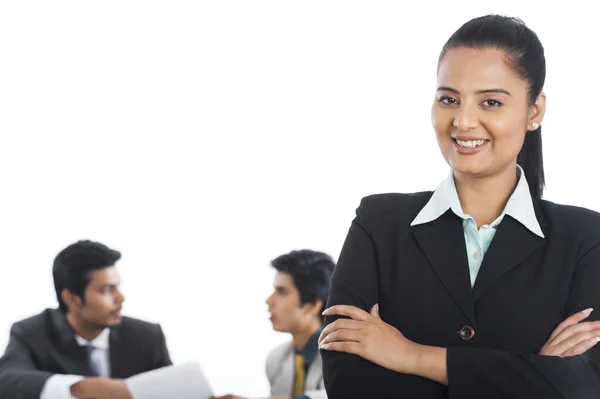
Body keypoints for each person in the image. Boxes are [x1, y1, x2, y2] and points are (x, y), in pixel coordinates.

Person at [318, 14, 600, 399]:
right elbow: (349, 384)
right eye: (449, 99)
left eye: (491, 102)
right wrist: (532, 374)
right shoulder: (378, 224)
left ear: (534, 112)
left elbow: (583, 386)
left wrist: (411, 356)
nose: (463, 121)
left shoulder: (585, 237)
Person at [0, 240, 172, 399]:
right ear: (71, 298)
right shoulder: (31, 333)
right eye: (106, 290)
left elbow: (173, 390)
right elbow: (6, 381)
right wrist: (83, 387)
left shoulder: (147, 336)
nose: (120, 298)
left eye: (117, 287)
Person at [214, 249, 335, 399]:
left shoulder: (342, 358)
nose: (269, 301)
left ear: (312, 305)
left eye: (282, 292)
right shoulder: (276, 358)